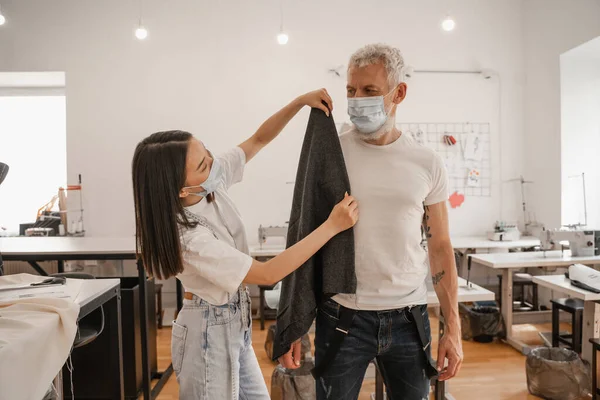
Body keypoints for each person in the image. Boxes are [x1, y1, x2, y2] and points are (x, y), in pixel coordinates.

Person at [131, 89, 359, 400]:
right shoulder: (188, 237)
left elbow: (258, 140)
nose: (213, 163)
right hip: (208, 333)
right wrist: (331, 227)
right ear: (182, 190)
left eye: (207, 153)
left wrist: (298, 103)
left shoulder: (209, 181)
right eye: (203, 165)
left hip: (234, 323)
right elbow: (267, 275)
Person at [278, 44, 463, 400]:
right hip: (342, 316)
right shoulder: (332, 152)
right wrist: (295, 324)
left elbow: (440, 244)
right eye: (351, 90)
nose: (357, 99)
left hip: (409, 319)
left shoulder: (426, 162)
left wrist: (452, 327)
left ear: (399, 93)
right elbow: (302, 233)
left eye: (370, 91)